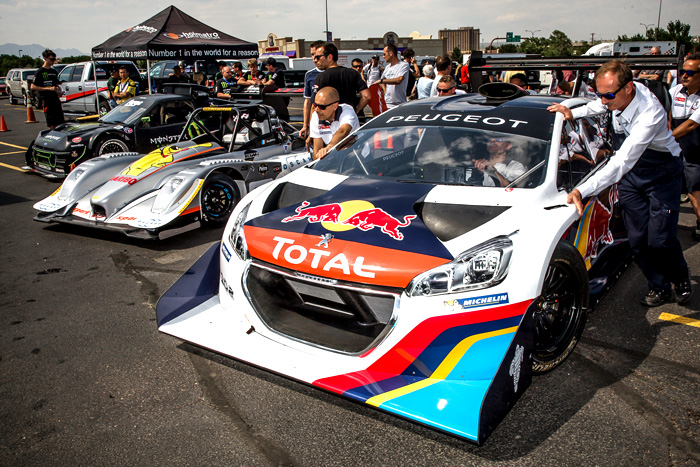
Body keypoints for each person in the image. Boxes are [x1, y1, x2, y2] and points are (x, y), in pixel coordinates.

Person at [548, 59, 691, 306]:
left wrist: (582, 189)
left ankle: (680, 278)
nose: (604, 101)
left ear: (629, 88)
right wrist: (573, 112)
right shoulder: (616, 96)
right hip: (633, 176)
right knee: (636, 240)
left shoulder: (650, 114)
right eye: (600, 94)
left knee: (661, 239)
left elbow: (622, 161)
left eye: (609, 95)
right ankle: (659, 286)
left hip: (662, 174)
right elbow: (599, 105)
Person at [669, 52, 700, 240]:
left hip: (695, 149)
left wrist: (667, 137)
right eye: (682, 71)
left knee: (695, 187)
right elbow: (667, 113)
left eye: (690, 72)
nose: (684, 75)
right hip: (675, 148)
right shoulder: (675, 91)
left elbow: (691, 124)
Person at [313, 42, 370, 116]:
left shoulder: (321, 77)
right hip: (351, 119)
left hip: (332, 120)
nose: (316, 60)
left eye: (318, 57)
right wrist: (356, 110)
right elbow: (366, 96)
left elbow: (315, 104)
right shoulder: (353, 73)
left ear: (329, 57)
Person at [310, 86, 360, 160]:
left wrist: (329, 147)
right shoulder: (316, 116)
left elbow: (343, 131)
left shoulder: (347, 111)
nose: (317, 109)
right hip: (338, 159)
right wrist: (319, 156)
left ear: (334, 106)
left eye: (322, 107)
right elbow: (316, 152)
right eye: (315, 105)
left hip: (358, 154)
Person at [30, 49, 64, 129]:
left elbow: (56, 83)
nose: (53, 61)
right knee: (51, 122)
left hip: (55, 99)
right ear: (45, 58)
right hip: (47, 100)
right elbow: (33, 86)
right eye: (52, 59)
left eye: (54, 59)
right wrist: (48, 89)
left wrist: (59, 90)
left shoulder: (53, 71)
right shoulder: (40, 72)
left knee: (60, 121)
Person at [300, 40, 326, 140]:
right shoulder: (309, 74)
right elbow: (307, 101)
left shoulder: (334, 72)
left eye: (317, 55)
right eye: (312, 55)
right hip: (316, 120)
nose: (314, 59)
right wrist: (305, 125)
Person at [378, 44, 410, 108]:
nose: (383, 56)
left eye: (384, 54)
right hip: (388, 103)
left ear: (391, 53)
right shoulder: (387, 67)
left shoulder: (403, 65)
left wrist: (382, 81)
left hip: (400, 103)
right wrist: (385, 91)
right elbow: (382, 82)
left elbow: (399, 80)